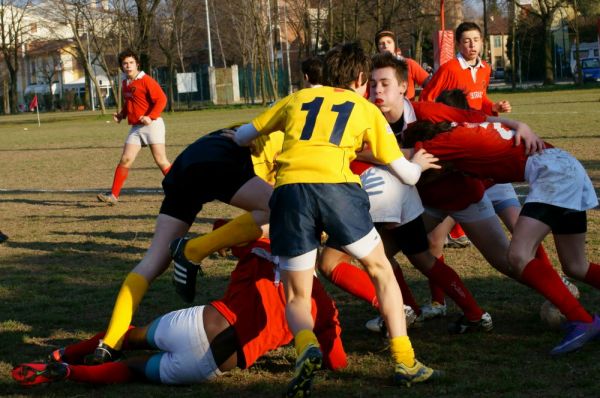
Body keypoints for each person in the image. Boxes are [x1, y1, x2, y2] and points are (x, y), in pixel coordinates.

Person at [231, 42, 442, 397]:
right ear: (361, 78)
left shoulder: (296, 99)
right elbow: (406, 175)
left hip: (290, 192)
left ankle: (306, 344)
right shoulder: (365, 108)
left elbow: (241, 136)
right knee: (380, 271)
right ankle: (405, 361)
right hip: (337, 191)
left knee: (296, 292)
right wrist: (418, 165)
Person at [11, 234, 347, 387]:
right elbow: (337, 361)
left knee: (126, 338)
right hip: (216, 362)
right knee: (133, 371)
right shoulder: (321, 303)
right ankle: (72, 374)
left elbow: (229, 232)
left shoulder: (262, 246)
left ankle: (59, 356)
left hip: (200, 321)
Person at [317, 53, 492, 334]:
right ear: (362, 82)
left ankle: (400, 310)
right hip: (400, 193)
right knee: (411, 257)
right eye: (373, 84)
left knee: (333, 262)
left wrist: (513, 126)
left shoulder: (400, 112)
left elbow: (465, 122)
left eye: (384, 83)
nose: (377, 90)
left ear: (403, 87)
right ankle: (472, 312)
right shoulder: (366, 110)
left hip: (385, 194)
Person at [403, 116, 600, 355]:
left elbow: (404, 155)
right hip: (565, 166)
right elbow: (488, 121)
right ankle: (582, 320)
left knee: (518, 256)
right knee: (575, 265)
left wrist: (355, 151)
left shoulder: (449, 141)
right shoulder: (464, 128)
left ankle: (583, 321)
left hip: (553, 173)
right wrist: (520, 125)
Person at [87, 127, 280, 365]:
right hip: (218, 158)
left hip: (189, 161)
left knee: (151, 262)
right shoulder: (292, 136)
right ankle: (196, 249)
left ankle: (110, 342)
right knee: (284, 211)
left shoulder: (273, 122)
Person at [419, 21, 514, 307]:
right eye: (466, 41)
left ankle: (555, 281)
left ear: (482, 42)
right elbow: (426, 100)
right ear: (458, 44)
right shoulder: (448, 70)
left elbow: (479, 99)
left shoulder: (484, 69)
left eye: (475, 40)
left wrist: (492, 108)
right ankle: (438, 304)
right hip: (456, 150)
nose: (471, 45)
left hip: (478, 147)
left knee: (515, 224)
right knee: (434, 239)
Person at [97, 49, 171, 205]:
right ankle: (113, 196)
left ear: (137, 64)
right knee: (125, 159)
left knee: (161, 161)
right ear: (121, 66)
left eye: (131, 63)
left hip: (153, 125)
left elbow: (162, 99)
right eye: (125, 63)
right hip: (136, 128)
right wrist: (121, 115)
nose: (128, 66)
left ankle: (183, 190)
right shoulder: (125, 82)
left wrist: (150, 117)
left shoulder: (146, 80)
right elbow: (129, 103)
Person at [374, 29, 430, 101]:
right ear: (377, 47)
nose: (386, 46)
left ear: (395, 44)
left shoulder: (409, 64)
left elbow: (430, 84)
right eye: (381, 43)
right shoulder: (374, 68)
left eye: (389, 42)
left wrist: (421, 103)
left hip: (407, 109)